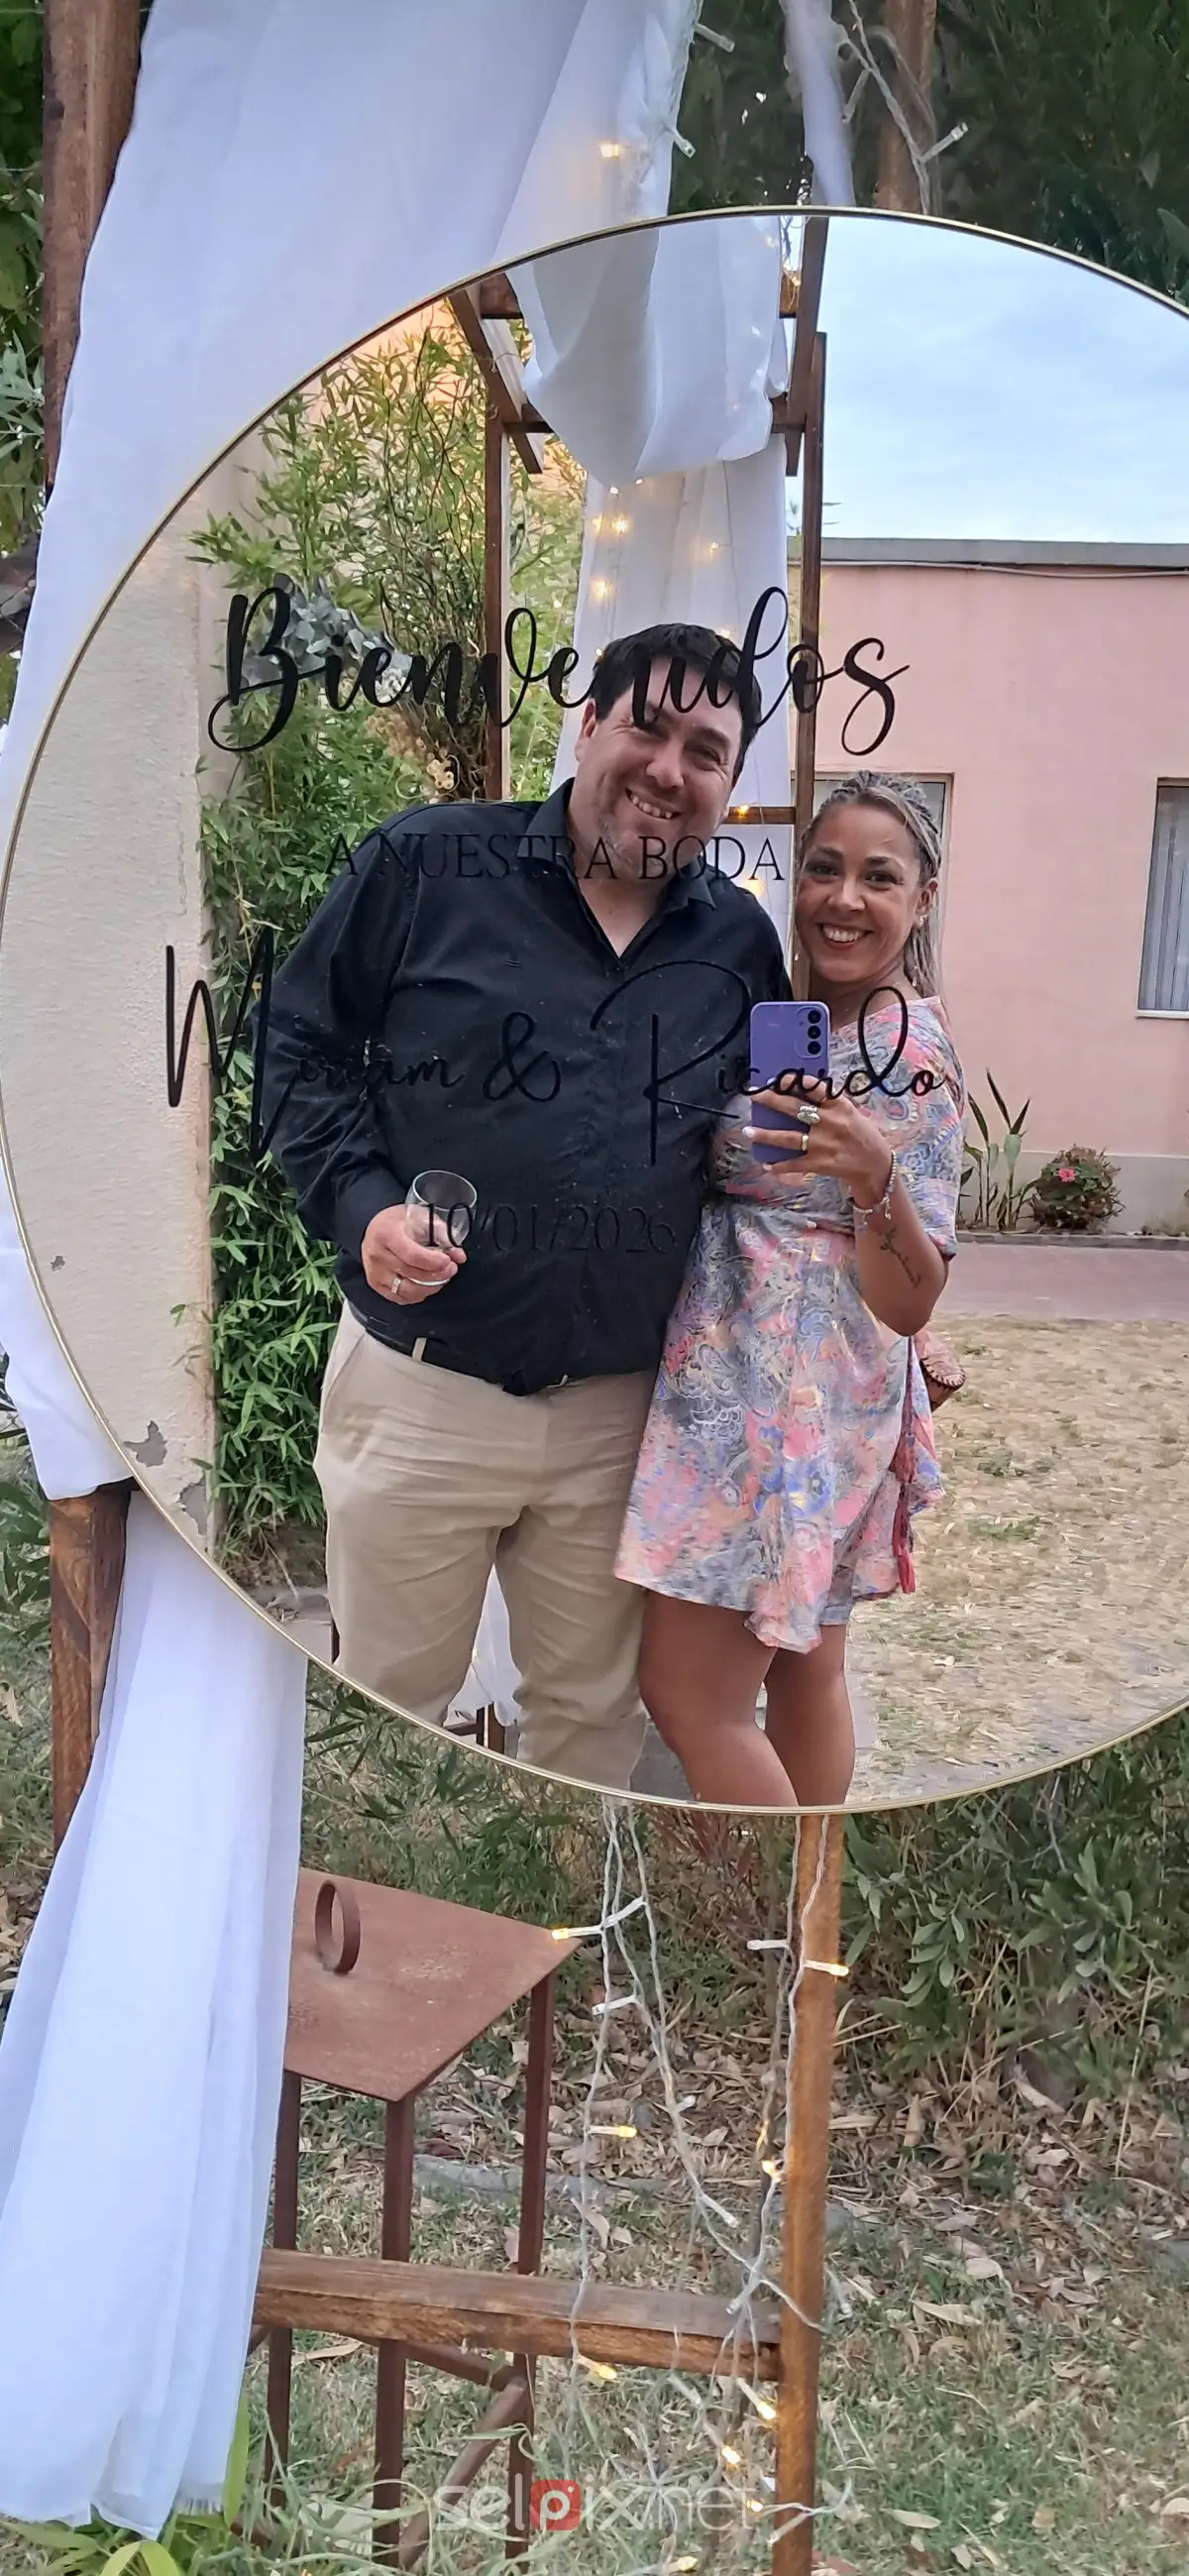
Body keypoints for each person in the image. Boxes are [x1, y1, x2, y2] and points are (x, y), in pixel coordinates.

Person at [258, 621, 789, 1790]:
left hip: (619, 1421)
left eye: (706, 751)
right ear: (587, 724)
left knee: (590, 1736)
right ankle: (366, 1916)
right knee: (381, 1723)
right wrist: (363, 1206)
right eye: (647, 727)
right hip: (422, 1391)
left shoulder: (743, 944)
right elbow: (298, 1045)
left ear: (729, 784)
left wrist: (883, 1299)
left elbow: (774, 1162)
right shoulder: (424, 866)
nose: (669, 769)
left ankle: (560, 1915)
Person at [616, 773, 966, 1809]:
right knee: (806, 1668)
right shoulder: (806, 1019)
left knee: (691, 1695)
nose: (844, 898)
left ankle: (768, 1897)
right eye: (824, 868)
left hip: (778, 1402)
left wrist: (873, 1176)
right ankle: (813, 1903)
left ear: (923, 900)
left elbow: (912, 1300)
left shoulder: (906, 1055)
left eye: (878, 877)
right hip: (792, 1383)